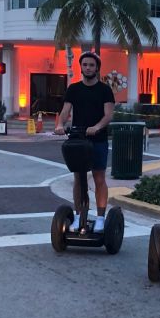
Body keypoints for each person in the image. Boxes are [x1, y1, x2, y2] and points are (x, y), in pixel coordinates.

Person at [54, 51, 115, 232]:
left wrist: (97, 127)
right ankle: (79, 215)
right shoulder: (74, 89)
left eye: (91, 65)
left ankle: (101, 217)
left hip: (98, 140)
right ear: (81, 67)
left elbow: (108, 115)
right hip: (78, 139)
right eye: (85, 65)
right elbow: (65, 111)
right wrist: (59, 125)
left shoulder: (105, 90)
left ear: (97, 68)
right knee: (78, 178)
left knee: (98, 178)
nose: (88, 68)